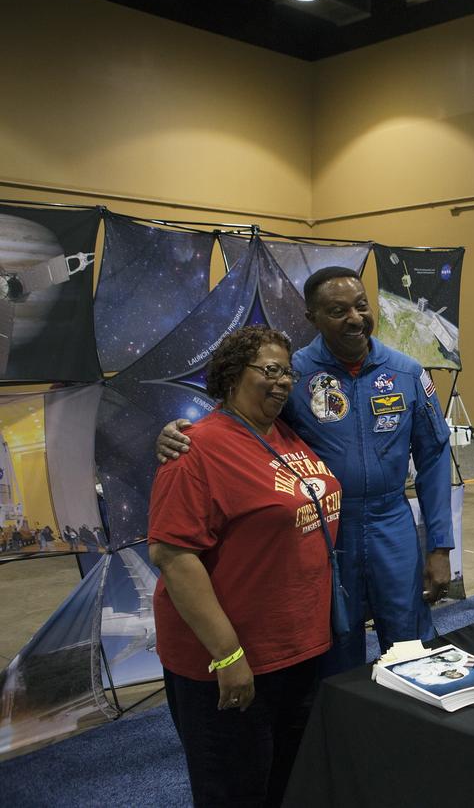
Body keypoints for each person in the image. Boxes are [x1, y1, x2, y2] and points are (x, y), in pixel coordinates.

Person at [158, 267, 453, 675]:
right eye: (337, 310)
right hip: (327, 529)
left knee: (411, 641)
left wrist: (439, 545)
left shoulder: (407, 373)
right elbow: (238, 424)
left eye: (361, 306)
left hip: (392, 524)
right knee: (336, 645)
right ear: (312, 319)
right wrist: (174, 432)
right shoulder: (290, 376)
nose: (354, 318)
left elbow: (435, 456)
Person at [149, 326, 341, 806]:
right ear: (233, 374)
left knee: (286, 783)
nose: (281, 382)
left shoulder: (286, 432)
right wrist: (229, 655)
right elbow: (173, 557)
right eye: (269, 370)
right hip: (230, 661)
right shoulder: (195, 451)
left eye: (287, 373)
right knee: (233, 791)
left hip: (296, 651)